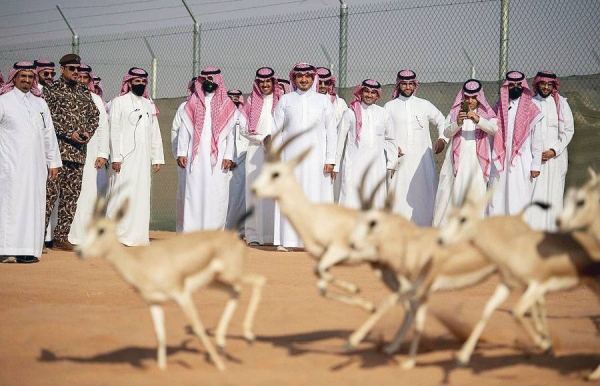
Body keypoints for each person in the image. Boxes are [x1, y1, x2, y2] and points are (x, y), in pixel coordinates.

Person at [0, 62, 62, 263]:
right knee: (10, 205)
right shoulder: (4, 101)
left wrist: (53, 161)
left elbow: (48, 135)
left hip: (35, 167)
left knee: (33, 206)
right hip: (10, 165)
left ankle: (28, 249)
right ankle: (6, 249)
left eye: (29, 77)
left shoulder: (40, 104)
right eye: (22, 76)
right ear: (14, 78)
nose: (26, 80)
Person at [272, 63, 337, 250]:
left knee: (317, 199)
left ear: (313, 78)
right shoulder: (285, 100)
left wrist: (330, 159)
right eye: (300, 77)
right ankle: (289, 241)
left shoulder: (324, 101)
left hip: (317, 161)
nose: (303, 80)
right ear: (294, 78)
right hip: (289, 160)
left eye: (307, 77)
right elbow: (277, 131)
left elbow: (331, 132)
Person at [43, 53, 100, 251]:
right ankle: (38, 238)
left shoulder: (84, 92)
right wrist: (69, 133)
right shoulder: (52, 91)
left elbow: (95, 115)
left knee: (70, 197)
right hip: (57, 154)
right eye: (72, 69)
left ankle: (61, 237)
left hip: (77, 154)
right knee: (49, 196)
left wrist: (87, 132)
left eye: (78, 69)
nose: (76, 72)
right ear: (62, 69)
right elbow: (47, 119)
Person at [176, 67, 240, 232]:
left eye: (212, 79)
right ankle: (192, 232)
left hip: (218, 159)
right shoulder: (192, 104)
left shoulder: (227, 105)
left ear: (218, 81)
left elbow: (231, 135)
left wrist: (228, 156)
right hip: (195, 158)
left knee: (217, 194)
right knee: (194, 194)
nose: (208, 83)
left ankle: (214, 232)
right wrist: (182, 152)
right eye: (205, 80)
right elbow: (184, 130)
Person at [106, 67, 164, 246]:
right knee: (121, 194)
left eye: (143, 82)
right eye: (137, 81)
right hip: (123, 159)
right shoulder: (119, 102)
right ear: (129, 82)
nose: (140, 84)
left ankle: (137, 236)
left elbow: (155, 132)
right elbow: (113, 130)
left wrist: (157, 157)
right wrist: (115, 157)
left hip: (143, 158)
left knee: (140, 195)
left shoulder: (148, 104)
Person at [385, 69, 447, 226]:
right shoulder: (389, 107)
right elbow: (382, 132)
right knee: (399, 192)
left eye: (410, 84)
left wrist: (442, 139)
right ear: (399, 85)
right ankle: (399, 227)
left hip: (422, 161)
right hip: (400, 160)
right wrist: (391, 148)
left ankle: (426, 226)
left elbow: (441, 120)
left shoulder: (424, 105)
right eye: (404, 84)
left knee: (425, 193)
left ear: (415, 86)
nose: (407, 87)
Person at [433, 79, 498, 226]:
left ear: (479, 97)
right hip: (455, 163)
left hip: (477, 164)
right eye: (467, 97)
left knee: (475, 197)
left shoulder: (486, 113)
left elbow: (494, 129)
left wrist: (478, 119)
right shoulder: (456, 112)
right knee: (448, 197)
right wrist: (458, 123)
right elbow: (447, 132)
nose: (470, 101)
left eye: (473, 97)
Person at [332, 79, 397, 209]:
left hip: (376, 166)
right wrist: (335, 165)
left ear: (377, 95)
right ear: (360, 92)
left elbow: (390, 139)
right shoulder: (350, 113)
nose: (369, 95)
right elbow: (339, 140)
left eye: (373, 92)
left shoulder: (383, 114)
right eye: (366, 91)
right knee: (351, 198)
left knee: (375, 198)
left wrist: (392, 163)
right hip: (354, 165)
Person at [488, 71, 543, 216]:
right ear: (506, 86)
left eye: (519, 84)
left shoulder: (530, 108)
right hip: (500, 158)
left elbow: (537, 140)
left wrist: (536, 164)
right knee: (497, 197)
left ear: (523, 86)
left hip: (521, 160)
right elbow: (492, 133)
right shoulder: (499, 105)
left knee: (519, 197)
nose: (515, 87)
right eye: (511, 85)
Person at [67, 63, 110, 245]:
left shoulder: (96, 100)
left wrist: (102, 153)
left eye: (86, 78)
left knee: (89, 193)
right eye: (79, 76)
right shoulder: (66, 97)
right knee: (69, 193)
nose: (82, 80)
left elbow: (102, 128)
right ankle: (66, 235)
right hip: (68, 153)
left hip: (91, 154)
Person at [240, 67, 282, 245]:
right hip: (255, 151)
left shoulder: (282, 100)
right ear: (257, 83)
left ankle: (273, 236)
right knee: (255, 192)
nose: (265, 85)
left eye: (268, 81)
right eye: (262, 82)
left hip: (277, 151)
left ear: (273, 82)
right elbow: (242, 127)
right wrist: (261, 138)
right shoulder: (251, 101)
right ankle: (253, 236)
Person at [528, 71, 575, 231]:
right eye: (543, 84)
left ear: (554, 86)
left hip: (556, 159)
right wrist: (534, 153)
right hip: (534, 159)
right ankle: (534, 231)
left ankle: (553, 233)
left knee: (554, 195)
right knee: (534, 194)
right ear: (537, 84)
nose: (546, 87)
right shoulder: (530, 103)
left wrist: (553, 151)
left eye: (549, 84)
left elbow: (569, 130)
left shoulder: (562, 103)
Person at [171, 76, 196, 233]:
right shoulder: (184, 107)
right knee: (184, 196)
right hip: (185, 160)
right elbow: (175, 131)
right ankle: (183, 232)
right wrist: (178, 154)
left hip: (206, 162)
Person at [225, 88, 250, 237]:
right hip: (222, 164)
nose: (233, 99)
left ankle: (236, 230)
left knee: (237, 199)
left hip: (239, 164)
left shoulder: (243, 116)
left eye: (236, 97)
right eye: (230, 97)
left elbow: (245, 140)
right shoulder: (220, 115)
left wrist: (235, 159)